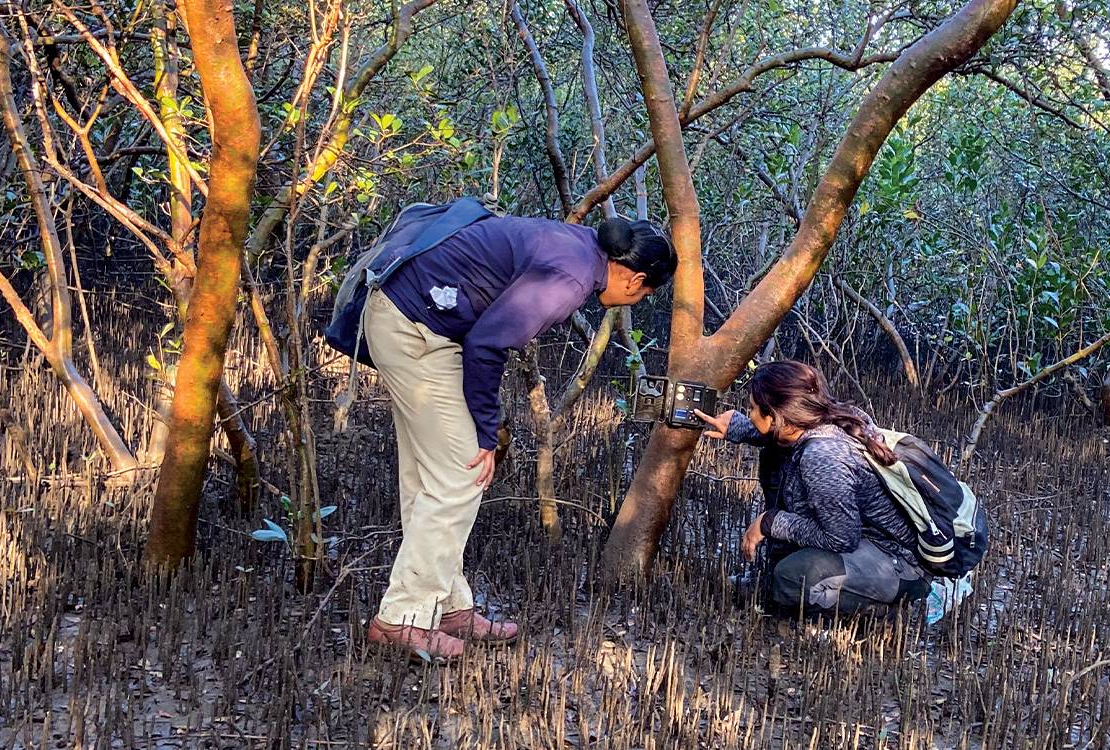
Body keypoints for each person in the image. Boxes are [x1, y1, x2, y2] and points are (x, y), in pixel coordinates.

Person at [362, 214, 676, 660]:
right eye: (645, 294)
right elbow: (487, 345)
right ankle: (403, 619)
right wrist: (487, 433)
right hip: (414, 331)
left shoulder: (578, 247)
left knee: (431, 476)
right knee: (461, 474)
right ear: (636, 279)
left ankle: (447, 607)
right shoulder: (570, 277)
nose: (637, 302)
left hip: (412, 320)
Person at [696, 361, 929, 618]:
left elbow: (841, 538)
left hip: (898, 564)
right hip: (868, 546)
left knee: (791, 579)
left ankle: (884, 611)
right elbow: (786, 439)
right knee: (776, 459)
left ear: (775, 415)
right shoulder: (822, 420)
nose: (748, 413)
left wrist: (771, 522)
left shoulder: (822, 457)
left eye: (752, 408)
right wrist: (741, 428)